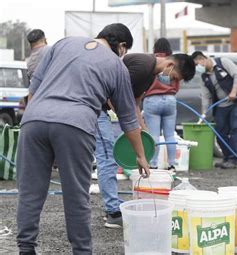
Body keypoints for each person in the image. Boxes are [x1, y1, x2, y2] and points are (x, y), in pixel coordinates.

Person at [16, 23, 150, 255]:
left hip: (34, 120)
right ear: (121, 46)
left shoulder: (62, 43)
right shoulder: (117, 66)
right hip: (75, 124)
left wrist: (33, 116)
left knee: (30, 190)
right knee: (75, 193)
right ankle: (81, 251)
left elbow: (33, 87)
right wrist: (140, 155)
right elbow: (128, 120)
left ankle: (26, 248)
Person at [96, 51, 195, 228]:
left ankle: (112, 207)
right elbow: (114, 96)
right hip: (95, 106)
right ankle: (113, 212)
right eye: (174, 77)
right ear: (170, 65)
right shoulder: (142, 66)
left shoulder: (150, 75)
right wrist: (128, 123)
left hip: (104, 109)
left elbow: (133, 102)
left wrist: (144, 128)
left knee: (108, 157)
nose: (171, 82)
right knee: (107, 157)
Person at [191, 51, 237, 169]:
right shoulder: (204, 77)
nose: (198, 68)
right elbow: (206, 96)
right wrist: (204, 113)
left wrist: (234, 91)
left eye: (198, 64)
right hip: (221, 105)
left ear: (203, 59)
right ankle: (227, 157)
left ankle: (234, 160)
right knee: (220, 131)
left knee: (236, 129)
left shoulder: (223, 62)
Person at [143, 38, 180, 170]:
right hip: (170, 99)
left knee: (154, 134)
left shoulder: (150, 61)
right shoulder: (173, 62)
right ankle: (172, 164)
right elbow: (177, 81)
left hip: (152, 99)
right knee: (170, 134)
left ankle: (153, 164)